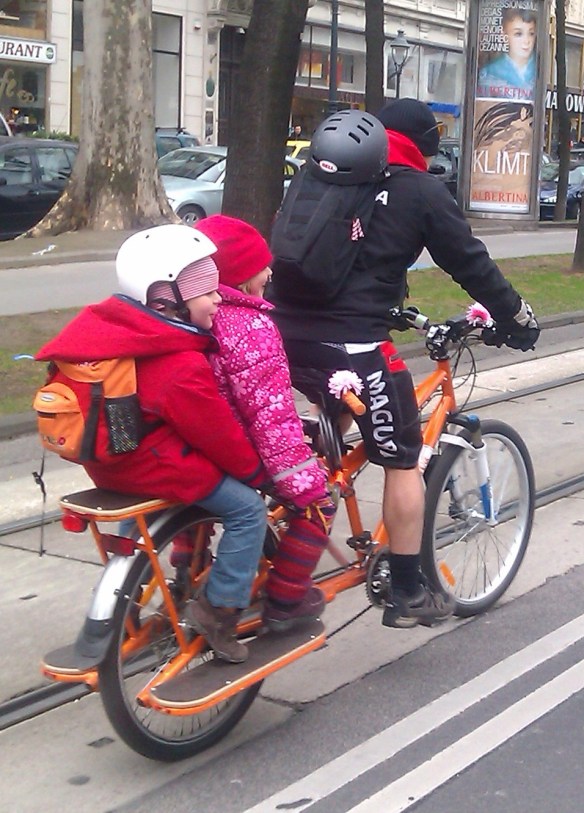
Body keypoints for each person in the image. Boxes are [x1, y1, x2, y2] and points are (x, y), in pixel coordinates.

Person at [268, 101, 540, 629]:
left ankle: (296, 513)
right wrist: (515, 317)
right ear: (426, 146)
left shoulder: (321, 176)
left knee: (330, 428)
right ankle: (410, 591)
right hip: (351, 346)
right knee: (401, 457)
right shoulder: (420, 190)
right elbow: (470, 263)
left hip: (280, 334)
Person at [36, 224, 267, 664]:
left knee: (147, 511)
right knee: (247, 510)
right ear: (167, 300)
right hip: (155, 467)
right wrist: (256, 472)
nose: (218, 299)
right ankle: (219, 610)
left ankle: (127, 593)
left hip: (111, 463)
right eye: (206, 291)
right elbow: (215, 433)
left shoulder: (112, 334)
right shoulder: (175, 361)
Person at [194, 214, 336, 631]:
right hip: (238, 448)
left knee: (195, 504)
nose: (270, 273)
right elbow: (269, 416)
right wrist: (300, 480)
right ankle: (286, 601)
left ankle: (187, 567)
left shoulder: (191, 312)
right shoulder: (250, 327)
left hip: (193, 445)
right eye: (262, 267)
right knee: (318, 505)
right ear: (239, 277)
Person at [477, 8, 536, 100]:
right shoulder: (490, 73)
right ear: (504, 36)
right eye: (518, 34)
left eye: (531, 34)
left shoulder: (539, 70)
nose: (526, 41)